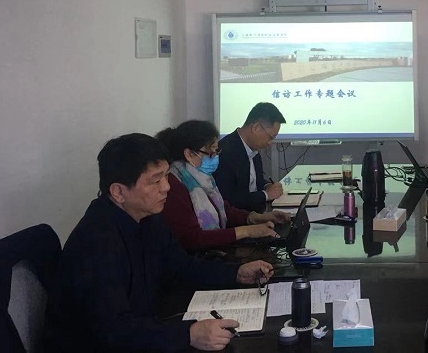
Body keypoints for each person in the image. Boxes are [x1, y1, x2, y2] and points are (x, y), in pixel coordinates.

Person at [44, 133, 275, 352]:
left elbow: (181, 267)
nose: (166, 187)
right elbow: (113, 331)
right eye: (155, 180)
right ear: (118, 192)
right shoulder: (96, 244)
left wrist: (236, 273)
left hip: (147, 327)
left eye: (165, 175)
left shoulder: (147, 217)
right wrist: (188, 334)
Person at [157, 120, 289, 252]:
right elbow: (192, 238)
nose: (215, 157)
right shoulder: (175, 185)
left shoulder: (202, 177)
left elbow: (224, 209)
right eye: (210, 153)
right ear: (190, 154)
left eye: (216, 151)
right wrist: (246, 231)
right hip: (199, 256)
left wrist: (256, 217)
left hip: (216, 249)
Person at [214, 102, 285, 212]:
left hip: (256, 213)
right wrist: (266, 195)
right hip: (240, 218)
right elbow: (228, 199)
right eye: (271, 137)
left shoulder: (253, 148)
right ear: (256, 127)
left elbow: (255, 181)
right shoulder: (226, 152)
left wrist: (268, 186)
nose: (270, 143)